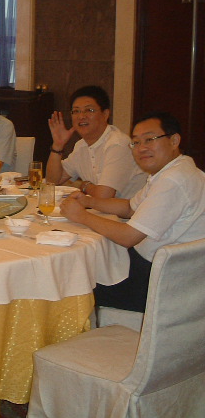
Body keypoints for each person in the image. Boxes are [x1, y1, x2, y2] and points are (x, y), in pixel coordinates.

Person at [60, 112, 205, 312]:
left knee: (69, 282)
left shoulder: (173, 180)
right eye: (136, 142)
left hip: (157, 282)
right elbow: (129, 207)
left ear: (174, 140)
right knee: (86, 264)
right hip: (165, 271)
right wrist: (89, 201)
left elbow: (128, 236)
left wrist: (82, 216)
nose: (142, 148)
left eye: (150, 139)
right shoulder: (175, 170)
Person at [46, 85, 146, 199]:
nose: (81, 116)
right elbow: (53, 182)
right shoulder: (81, 146)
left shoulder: (118, 144)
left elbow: (104, 196)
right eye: (76, 111)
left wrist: (84, 185)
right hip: (100, 208)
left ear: (105, 114)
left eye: (89, 110)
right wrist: (57, 146)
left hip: (130, 210)